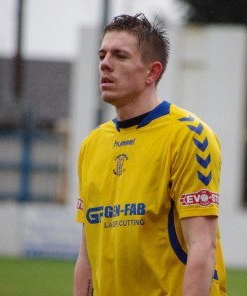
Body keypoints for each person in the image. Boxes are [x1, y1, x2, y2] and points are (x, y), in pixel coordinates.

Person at [74, 13, 227, 296]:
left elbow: (202, 247)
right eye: (102, 55)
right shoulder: (91, 145)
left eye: (120, 56)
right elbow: (87, 257)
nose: (105, 64)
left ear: (152, 72)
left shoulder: (188, 136)